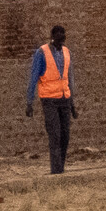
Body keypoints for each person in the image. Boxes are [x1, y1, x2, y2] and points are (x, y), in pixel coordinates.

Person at [24, 24, 78, 175]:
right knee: (55, 135)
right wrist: (29, 102)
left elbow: (70, 78)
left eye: (63, 34)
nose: (62, 37)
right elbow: (33, 77)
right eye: (58, 34)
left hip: (64, 99)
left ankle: (60, 168)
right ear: (52, 36)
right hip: (49, 100)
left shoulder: (67, 52)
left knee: (65, 136)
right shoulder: (42, 53)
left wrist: (73, 104)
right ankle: (56, 171)